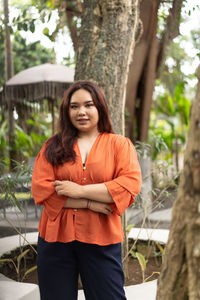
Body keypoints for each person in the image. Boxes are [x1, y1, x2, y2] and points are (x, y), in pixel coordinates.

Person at [31, 80, 142, 300]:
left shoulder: (119, 145)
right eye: (74, 106)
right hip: (55, 241)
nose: (81, 112)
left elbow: (129, 185)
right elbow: (41, 190)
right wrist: (90, 202)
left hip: (101, 239)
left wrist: (77, 191)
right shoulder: (53, 146)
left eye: (88, 105)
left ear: (99, 108)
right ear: (67, 110)